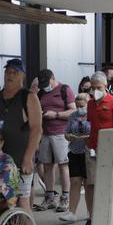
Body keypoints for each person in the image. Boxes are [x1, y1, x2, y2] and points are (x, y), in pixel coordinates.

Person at [0, 59, 42, 216]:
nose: (10, 75)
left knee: (21, 201)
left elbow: (36, 129)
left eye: (15, 72)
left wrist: (28, 158)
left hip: (19, 159)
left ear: (22, 75)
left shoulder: (28, 97)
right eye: (8, 71)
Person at [83, 72, 113, 225]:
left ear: (106, 87)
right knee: (91, 183)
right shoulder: (90, 104)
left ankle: (111, 216)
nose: (95, 91)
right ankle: (91, 217)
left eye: (99, 88)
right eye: (93, 88)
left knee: (109, 183)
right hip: (92, 148)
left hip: (109, 150)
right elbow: (89, 124)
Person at [36, 69, 77, 211]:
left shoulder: (65, 89)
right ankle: (49, 197)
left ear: (53, 78)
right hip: (45, 133)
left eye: (47, 83)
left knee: (63, 165)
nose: (45, 87)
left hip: (61, 133)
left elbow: (73, 111)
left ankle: (65, 198)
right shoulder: (41, 92)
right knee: (47, 165)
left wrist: (56, 114)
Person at [59, 93, 91, 223]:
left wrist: (85, 138)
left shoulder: (92, 115)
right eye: (77, 106)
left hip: (89, 152)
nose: (79, 109)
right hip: (74, 151)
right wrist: (69, 136)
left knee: (89, 184)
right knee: (75, 182)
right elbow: (66, 132)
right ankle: (72, 212)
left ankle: (91, 213)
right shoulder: (73, 116)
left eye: (82, 106)